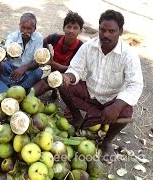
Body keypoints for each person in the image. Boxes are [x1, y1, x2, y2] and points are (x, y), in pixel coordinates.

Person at [58, 9, 144, 161]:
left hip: (111, 99)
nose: (106, 35)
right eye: (102, 30)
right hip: (89, 91)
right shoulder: (88, 47)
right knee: (61, 83)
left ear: (121, 31)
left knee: (126, 113)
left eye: (112, 31)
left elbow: (135, 85)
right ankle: (77, 117)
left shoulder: (129, 55)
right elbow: (76, 69)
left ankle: (107, 142)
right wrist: (69, 77)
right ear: (98, 29)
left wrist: (116, 106)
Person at [33, 11, 84, 119]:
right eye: (68, 27)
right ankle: (54, 91)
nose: (71, 31)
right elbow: (44, 41)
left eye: (75, 28)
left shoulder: (81, 47)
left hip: (69, 79)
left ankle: (71, 106)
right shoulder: (55, 38)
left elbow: (73, 70)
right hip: (53, 74)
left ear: (80, 30)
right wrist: (47, 54)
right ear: (63, 27)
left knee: (69, 111)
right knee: (31, 93)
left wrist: (52, 63)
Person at [0, 13, 43, 90]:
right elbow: (6, 49)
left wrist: (24, 68)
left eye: (29, 29)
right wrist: (8, 52)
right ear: (19, 26)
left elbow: (38, 61)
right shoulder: (13, 36)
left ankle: (10, 86)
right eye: (23, 27)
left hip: (28, 70)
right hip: (11, 68)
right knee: (1, 64)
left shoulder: (38, 38)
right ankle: (21, 87)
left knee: (38, 72)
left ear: (34, 28)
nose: (25, 31)